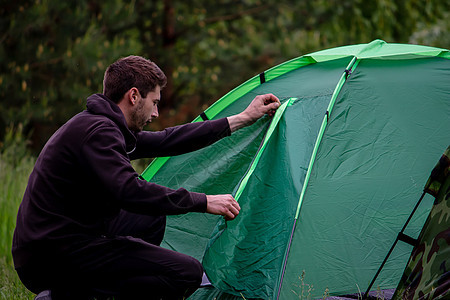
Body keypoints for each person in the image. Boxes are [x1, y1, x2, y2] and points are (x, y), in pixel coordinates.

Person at [12, 55, 280, 299]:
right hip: (50, 255)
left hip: (68, 239)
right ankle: (65, 295)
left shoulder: (104, 126)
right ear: (133, 96)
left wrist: (242, 118)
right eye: (154, 103)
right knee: (186, 273)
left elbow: (168, 140)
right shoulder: (98, 133)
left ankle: (81, 292)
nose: (155, 114)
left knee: (150, 217)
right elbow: (130, 191)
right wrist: (203, 201)